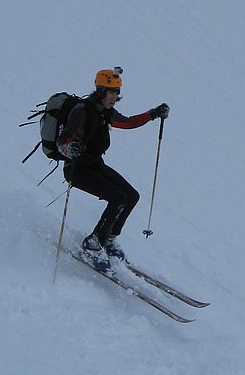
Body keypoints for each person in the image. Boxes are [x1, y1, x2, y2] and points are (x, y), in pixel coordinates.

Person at [57, 67, 169, 262]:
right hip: (77, 169)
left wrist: (153, 113)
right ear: (101, 91)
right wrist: (70, 149)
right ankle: (93, 243)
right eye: (111, 92)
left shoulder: (106, 112)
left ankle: (108, 238)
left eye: (117, 93)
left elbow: (127, 123)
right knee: (118, 198)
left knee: (132, 196)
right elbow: (62, 141)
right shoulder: (83, 112)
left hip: (95, 165)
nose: (114, 97)